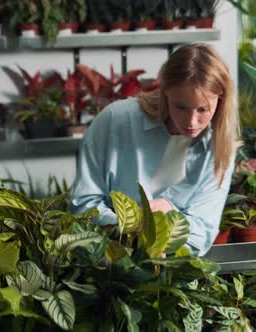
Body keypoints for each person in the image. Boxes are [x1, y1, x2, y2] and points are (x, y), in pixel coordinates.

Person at [68, 43, 239, 256]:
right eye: (181, 106)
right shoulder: (114, 121)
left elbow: (203, 234)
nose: (191, 121)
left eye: (203, 109)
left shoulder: (220, 149)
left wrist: (167, 216)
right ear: (165, 91)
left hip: (176, 276)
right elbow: (82, 207)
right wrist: (136, 224)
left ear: (220, 100)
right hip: (107, 269)